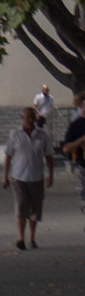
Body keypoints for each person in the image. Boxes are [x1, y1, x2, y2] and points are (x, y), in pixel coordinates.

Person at [2, 105, 54, 250]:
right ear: (22, 118)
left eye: (32, 116)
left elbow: (49, 156)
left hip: (36, 177)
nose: (30, 119)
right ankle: (20, 237)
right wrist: (4, 176)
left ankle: (32, 237)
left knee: (35, 209)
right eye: (27, 117)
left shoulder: (42, 135)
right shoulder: (15, 134)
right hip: (19, 177)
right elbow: (7, 156)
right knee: (21, 207)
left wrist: (51, 175)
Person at [62, 92, 85, 221]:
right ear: (81, 105)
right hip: (83, 167)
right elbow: (66, 149)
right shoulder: (75, 126)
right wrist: (81, 140)